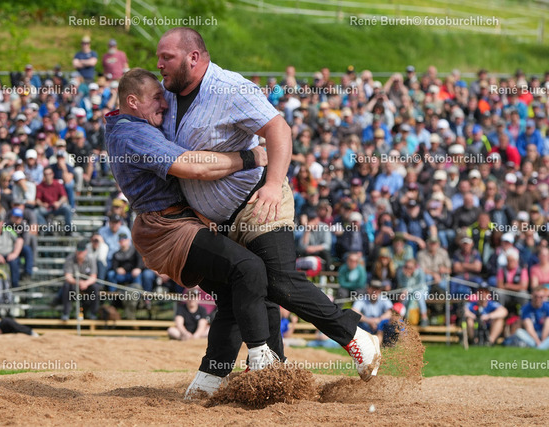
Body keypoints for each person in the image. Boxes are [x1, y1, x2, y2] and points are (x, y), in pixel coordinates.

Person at [156, 28, 379, 395]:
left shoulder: (230, 88)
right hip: (217, 220)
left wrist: (274, 183)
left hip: (259, 200)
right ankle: (259, 373)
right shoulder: (165, 95)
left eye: (167, 57)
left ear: (193, 58)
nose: (159, 64)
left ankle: (355, 335)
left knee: (276, 280)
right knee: (243, 289)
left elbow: (278, 129)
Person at [105, 68, 281, 389]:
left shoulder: (130, 126)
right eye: (156, 98)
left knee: (233, 291)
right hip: (166, 228)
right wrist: (251, 156)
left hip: (173, 223)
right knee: (249, 268)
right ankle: (262, 362)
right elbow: (194, 167)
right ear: (132, 101)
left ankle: (207, 382)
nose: (164, 104)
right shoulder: (132, 133)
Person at [60, 240, 100, 321]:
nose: (80, 252)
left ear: (86, 251)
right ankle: (66, 313)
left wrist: (85, 283)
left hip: (87, 284)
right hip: (73, 283)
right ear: (76, 250)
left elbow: (93, 277)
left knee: (95, 287)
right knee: (66, 286)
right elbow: (68, 276)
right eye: (79, 250)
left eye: (82, 250)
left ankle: (93, 313)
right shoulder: (70, 259)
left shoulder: (91, 259)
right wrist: (78, 282)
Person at [35, 166, 73, 233]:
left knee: (68, 208)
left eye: (49, 174)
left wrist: (59, 203)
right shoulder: (40, 186)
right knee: (36, 212)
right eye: (46, 174)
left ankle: (68, 230)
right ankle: (47, 230)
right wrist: (42, 204)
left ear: (53, 174)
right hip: (47, 208)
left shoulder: (58, 184)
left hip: (57, 208)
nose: (48, 176)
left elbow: (64, 197)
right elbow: (37, 200)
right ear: (44, 175)